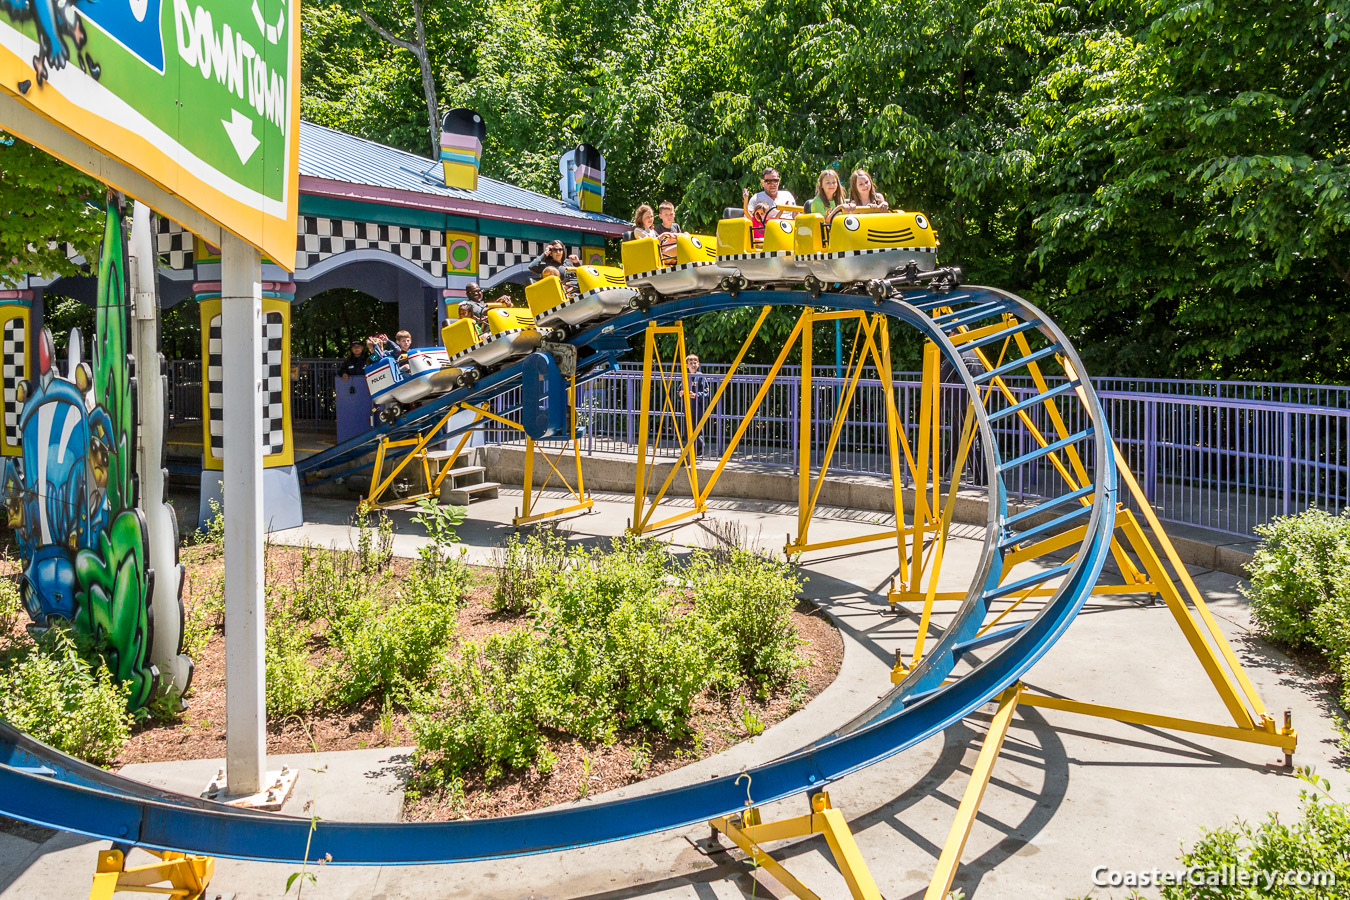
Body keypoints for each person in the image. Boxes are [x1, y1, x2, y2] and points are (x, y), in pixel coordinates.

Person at [680, 353, 714, 456]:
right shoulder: (685, 377)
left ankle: (698, 453)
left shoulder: (701, 377)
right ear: (687, 365)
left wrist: (696, 395)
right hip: (687, 408)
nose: (693, 365)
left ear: (698, 364)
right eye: (691, 363)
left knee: (697, 431)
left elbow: (706, 392)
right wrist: (681, 393)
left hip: (697, 409)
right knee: (687, 431)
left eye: (695, 363)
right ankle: (689, 450)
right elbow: (680, 390)